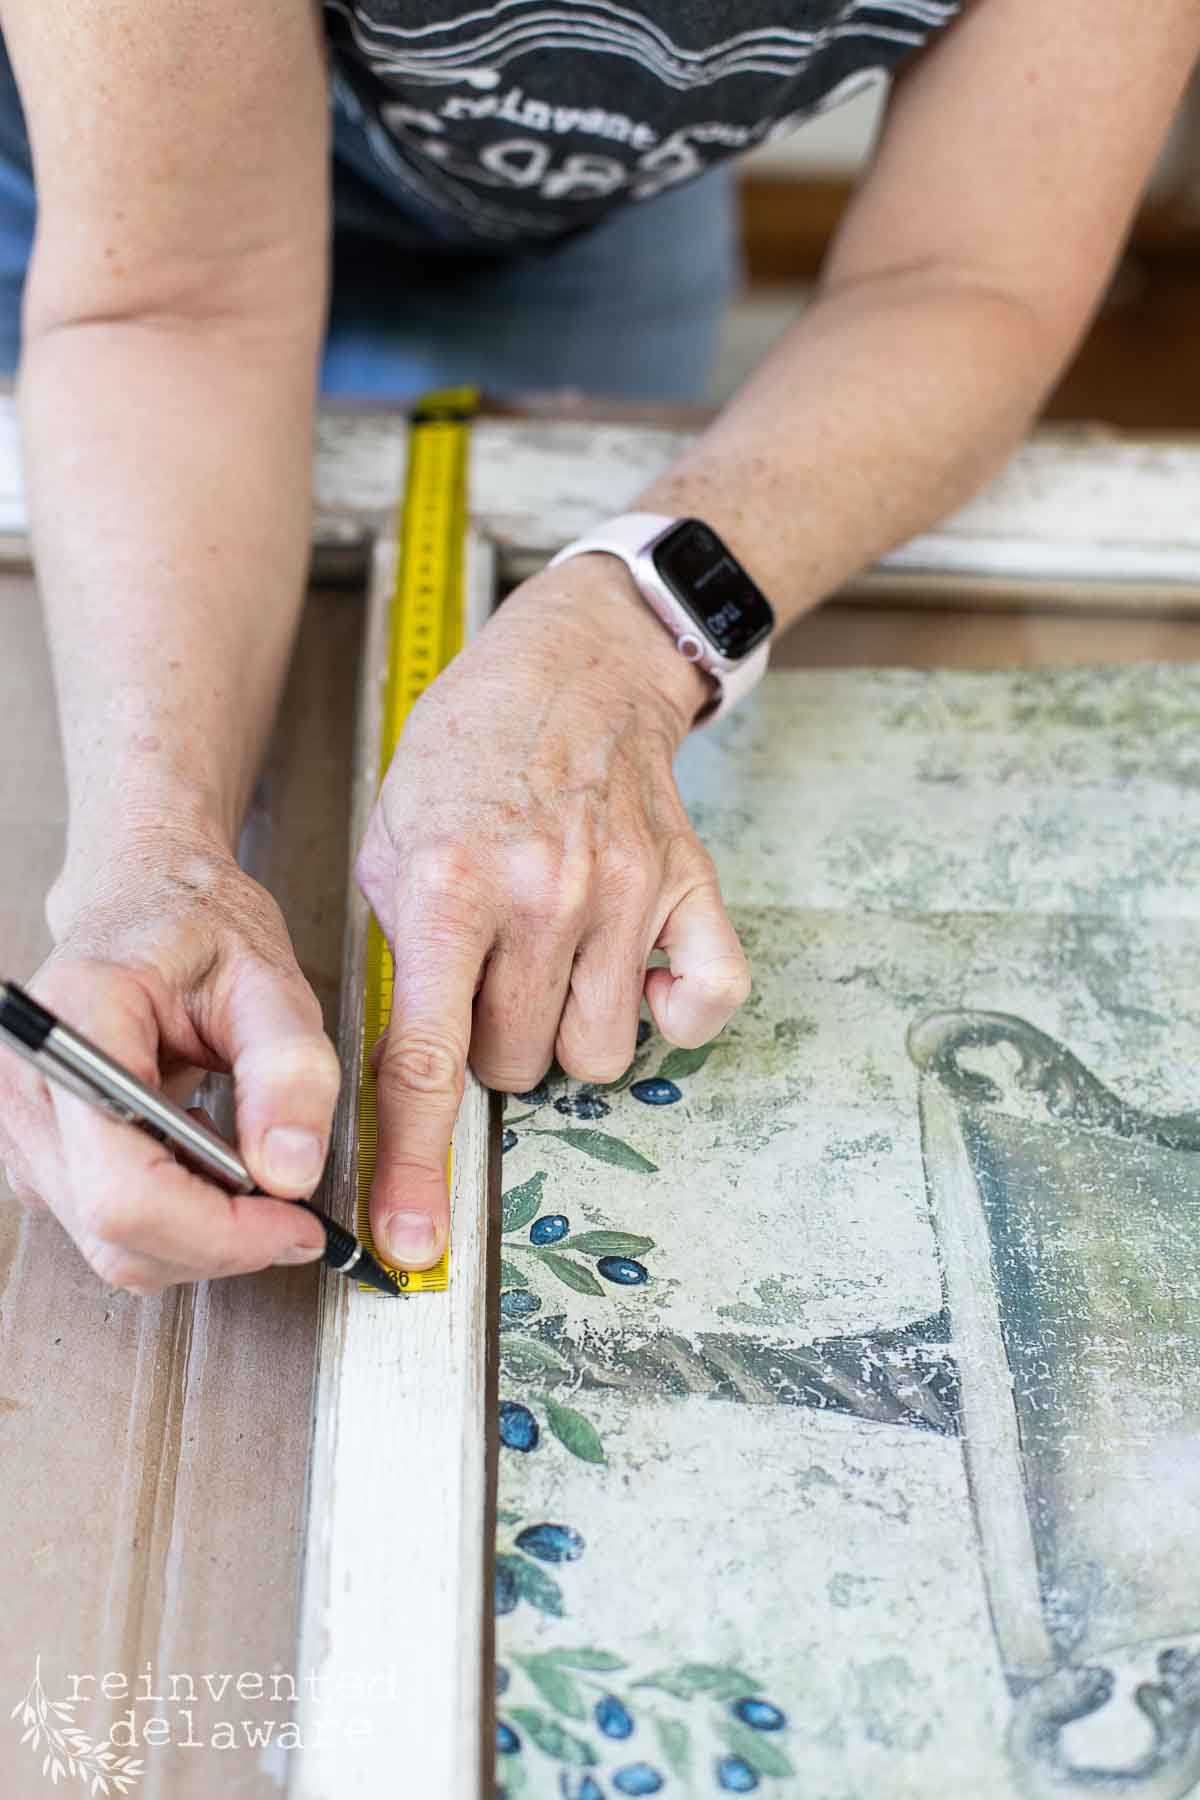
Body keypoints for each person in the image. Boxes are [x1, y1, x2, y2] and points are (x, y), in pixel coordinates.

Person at [0, 1, 1195, 1296]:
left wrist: (631, 624)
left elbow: (973, 279)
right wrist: (152, 859)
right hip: (123, 199)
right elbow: (178, 297)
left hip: (586, 219)